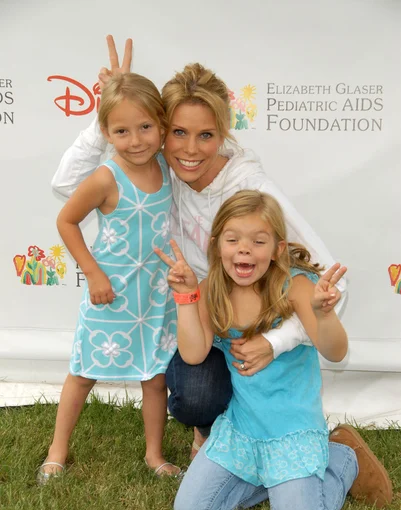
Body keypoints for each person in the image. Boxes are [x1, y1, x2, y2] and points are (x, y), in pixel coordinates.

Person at [52, 36, 347, 458]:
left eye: (205, 135)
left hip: (257, 332)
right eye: (178, 133)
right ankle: (208, 431)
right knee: (194, 397)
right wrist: (111, 109)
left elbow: (334, 286)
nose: (190, 150)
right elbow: (66, 187)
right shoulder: (160, 168)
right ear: (161, 132)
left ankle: (281, 433)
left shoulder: (251, 187)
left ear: (223, 133)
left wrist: (276, 341)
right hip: (202, 323)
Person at [156, 190, 393, 510]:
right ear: (217, 244)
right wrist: (186, 297)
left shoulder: (295, 286)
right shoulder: (212, 289)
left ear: (278, 249)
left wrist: (322, 314)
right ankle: (279, 482)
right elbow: (193, 355)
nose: (244, 249)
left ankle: (342, 457)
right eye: (233, 239)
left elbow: (336, 352)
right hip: (242, 429)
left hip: (291, 430)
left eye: (258, 241)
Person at [38, 73, 182, 484]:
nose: (136, 140)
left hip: (155, 295)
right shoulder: (106, 177)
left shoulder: (165, 166)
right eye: (122, 130)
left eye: (145, 127)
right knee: (84, 372)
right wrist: (93, 272)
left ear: (161, 124)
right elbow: (66, 220)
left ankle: (154, 454)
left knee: (154, 378)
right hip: (111, 293)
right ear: (106, 132)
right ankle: (57, 450)